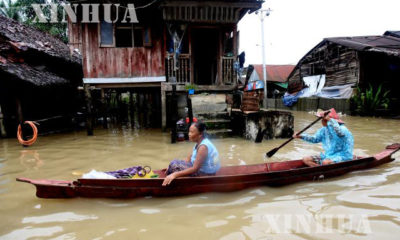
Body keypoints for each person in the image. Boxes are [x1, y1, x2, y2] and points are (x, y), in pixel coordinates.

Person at [162, 122, 220, 186]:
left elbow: (195, 169)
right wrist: (170, 166)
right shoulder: (199, 142)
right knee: (174, 163)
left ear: (200, 134)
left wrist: (174, 174)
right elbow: (188, 159)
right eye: (189, 132)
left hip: (206, 174)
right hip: (200, 169)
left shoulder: (203, 147)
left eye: (192, 132)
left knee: (174, 165)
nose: (189, 134)